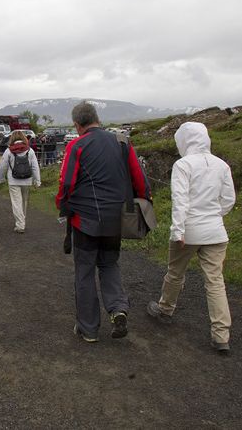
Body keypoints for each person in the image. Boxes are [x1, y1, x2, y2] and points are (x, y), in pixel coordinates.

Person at [56, 101, 151, 343]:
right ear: (97, 118)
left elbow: (67, 182)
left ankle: (88, 329)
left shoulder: (76, 146)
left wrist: (62, 204)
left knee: (85, 271)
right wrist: (143, 201)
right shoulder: (121, 142)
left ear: (78, 125)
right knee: (109, 264)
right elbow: (139, 178)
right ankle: (118, 309)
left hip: (86, 220)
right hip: (116, 218)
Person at [146, 122, 236, 354]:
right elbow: (229, 199)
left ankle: (165, 309)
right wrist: (215, 216)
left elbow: (180, 200)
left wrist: (178, 231)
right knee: (215, 281)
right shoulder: (222, 165)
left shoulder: (183, 164)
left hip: (189, 230)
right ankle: (221, 335)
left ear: (184, 141)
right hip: (216, 231)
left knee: (176, 272)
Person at [0, 131, 41, 233]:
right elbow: (35, 167)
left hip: (13, 180)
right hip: (27, 180)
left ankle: (20, 224)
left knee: (16, 202)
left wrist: (1, 179)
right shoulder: (30, 150)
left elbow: (2, 166)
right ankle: (22, 220)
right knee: (24, 201)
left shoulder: (9, 151)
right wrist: (37, 181)